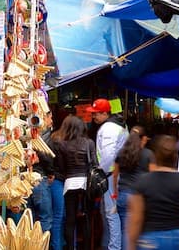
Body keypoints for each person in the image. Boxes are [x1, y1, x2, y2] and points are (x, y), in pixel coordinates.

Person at [90, 98, 128, 250]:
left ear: (105, 113)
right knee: (121, 214)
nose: (93, 117)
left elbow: (107, 154)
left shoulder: (108, 129)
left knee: (112, 214)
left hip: (112, 176)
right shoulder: (120, 126)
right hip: (121, 174)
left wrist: (102, 172)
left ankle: (114, 247)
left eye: (96, 114)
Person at [55, 115, 97, 250]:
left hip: (69, 183)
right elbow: (94, 164)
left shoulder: (62, 144)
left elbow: (61, 167)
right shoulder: (89, 142)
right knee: (86, 218)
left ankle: (71, 247)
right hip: (86, 183)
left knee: (70, 220)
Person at [116, 131, 153, 249]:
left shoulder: (121, 154)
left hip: (123, 194)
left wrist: (115, 192)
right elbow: (153, 175)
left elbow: (115, 175)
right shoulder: (147, 154)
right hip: (140, 195)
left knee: (125, 230)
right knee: (141, 228)